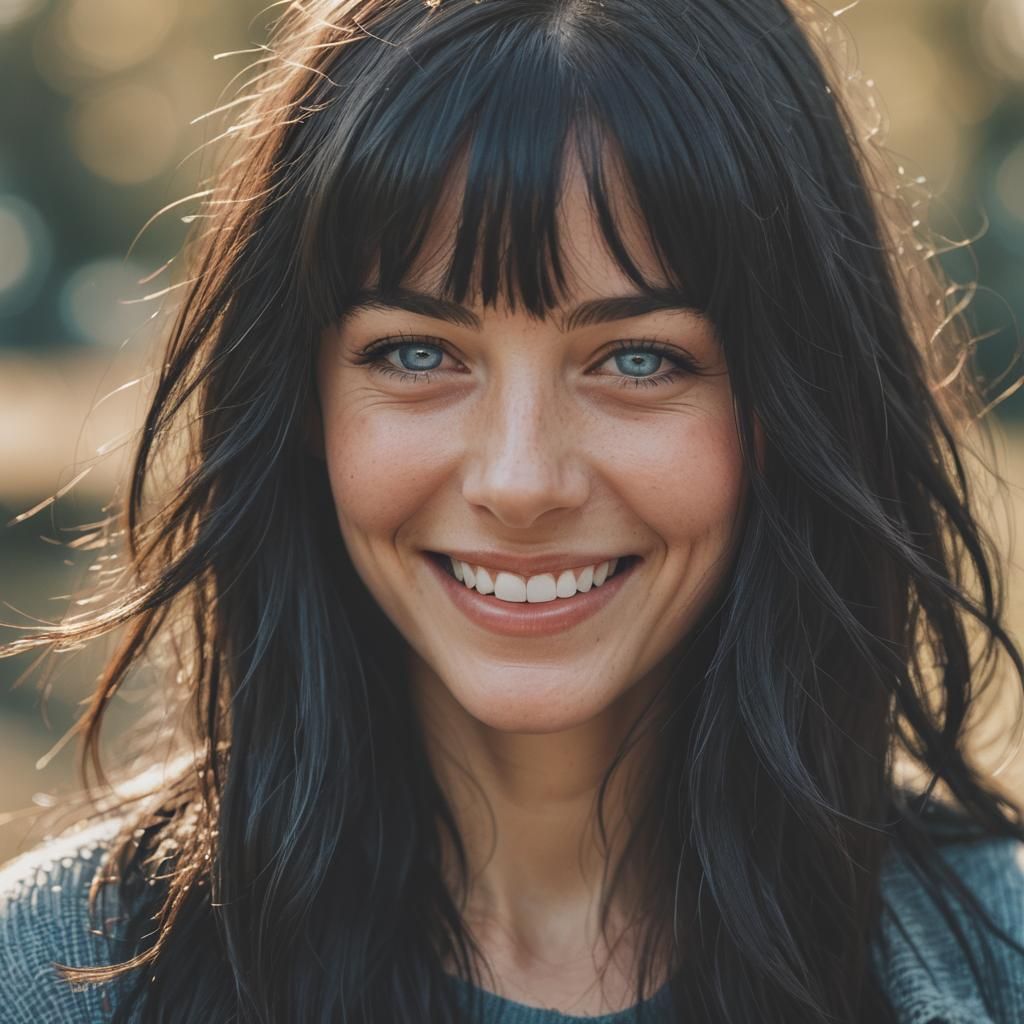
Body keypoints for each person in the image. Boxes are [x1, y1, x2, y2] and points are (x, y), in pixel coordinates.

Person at [2, 0, 1024, 1021]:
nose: (521, 479)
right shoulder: (50, 974)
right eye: (417, 354)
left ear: (787, 408)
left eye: (637, 358)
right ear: (302, 402)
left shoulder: (1002, 954)